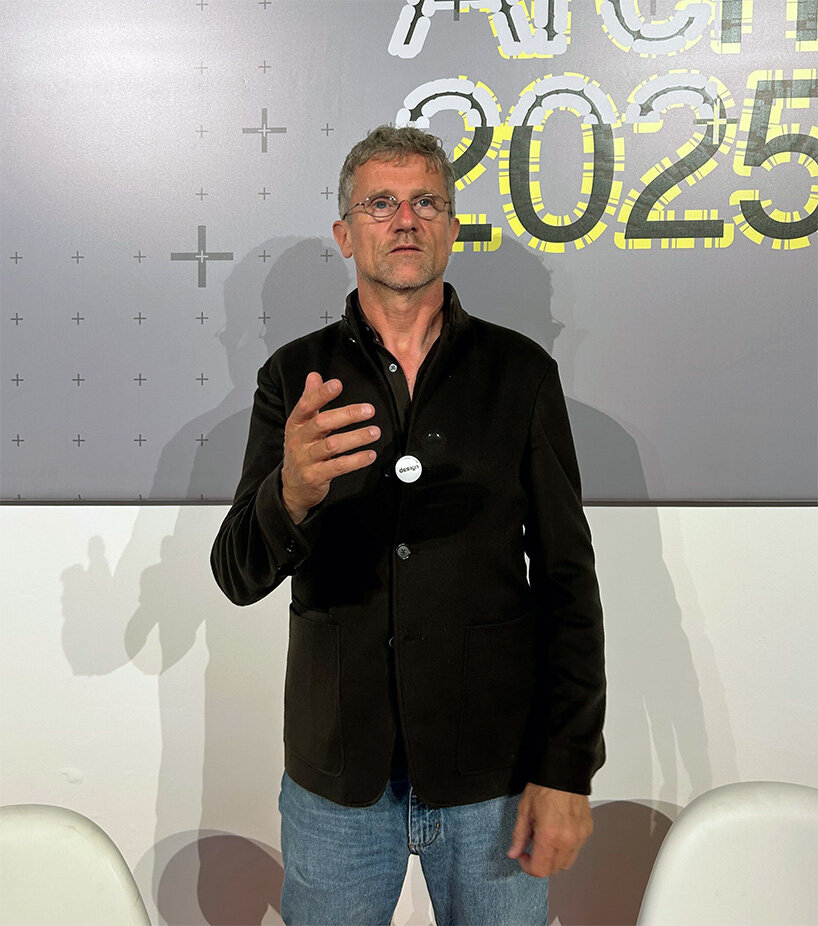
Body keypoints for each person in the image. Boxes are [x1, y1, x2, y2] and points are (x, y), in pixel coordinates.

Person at [211, 125, 606, 925]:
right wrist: (290, 492)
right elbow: (237, 574)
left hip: (492, 774)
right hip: (337, 779)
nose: (404, 221)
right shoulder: (295, 378)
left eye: (426, 203)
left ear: (452, 229)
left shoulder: (521, 374)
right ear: (345, 233)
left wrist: (567, 767)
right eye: (380, 204)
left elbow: (568, 580)